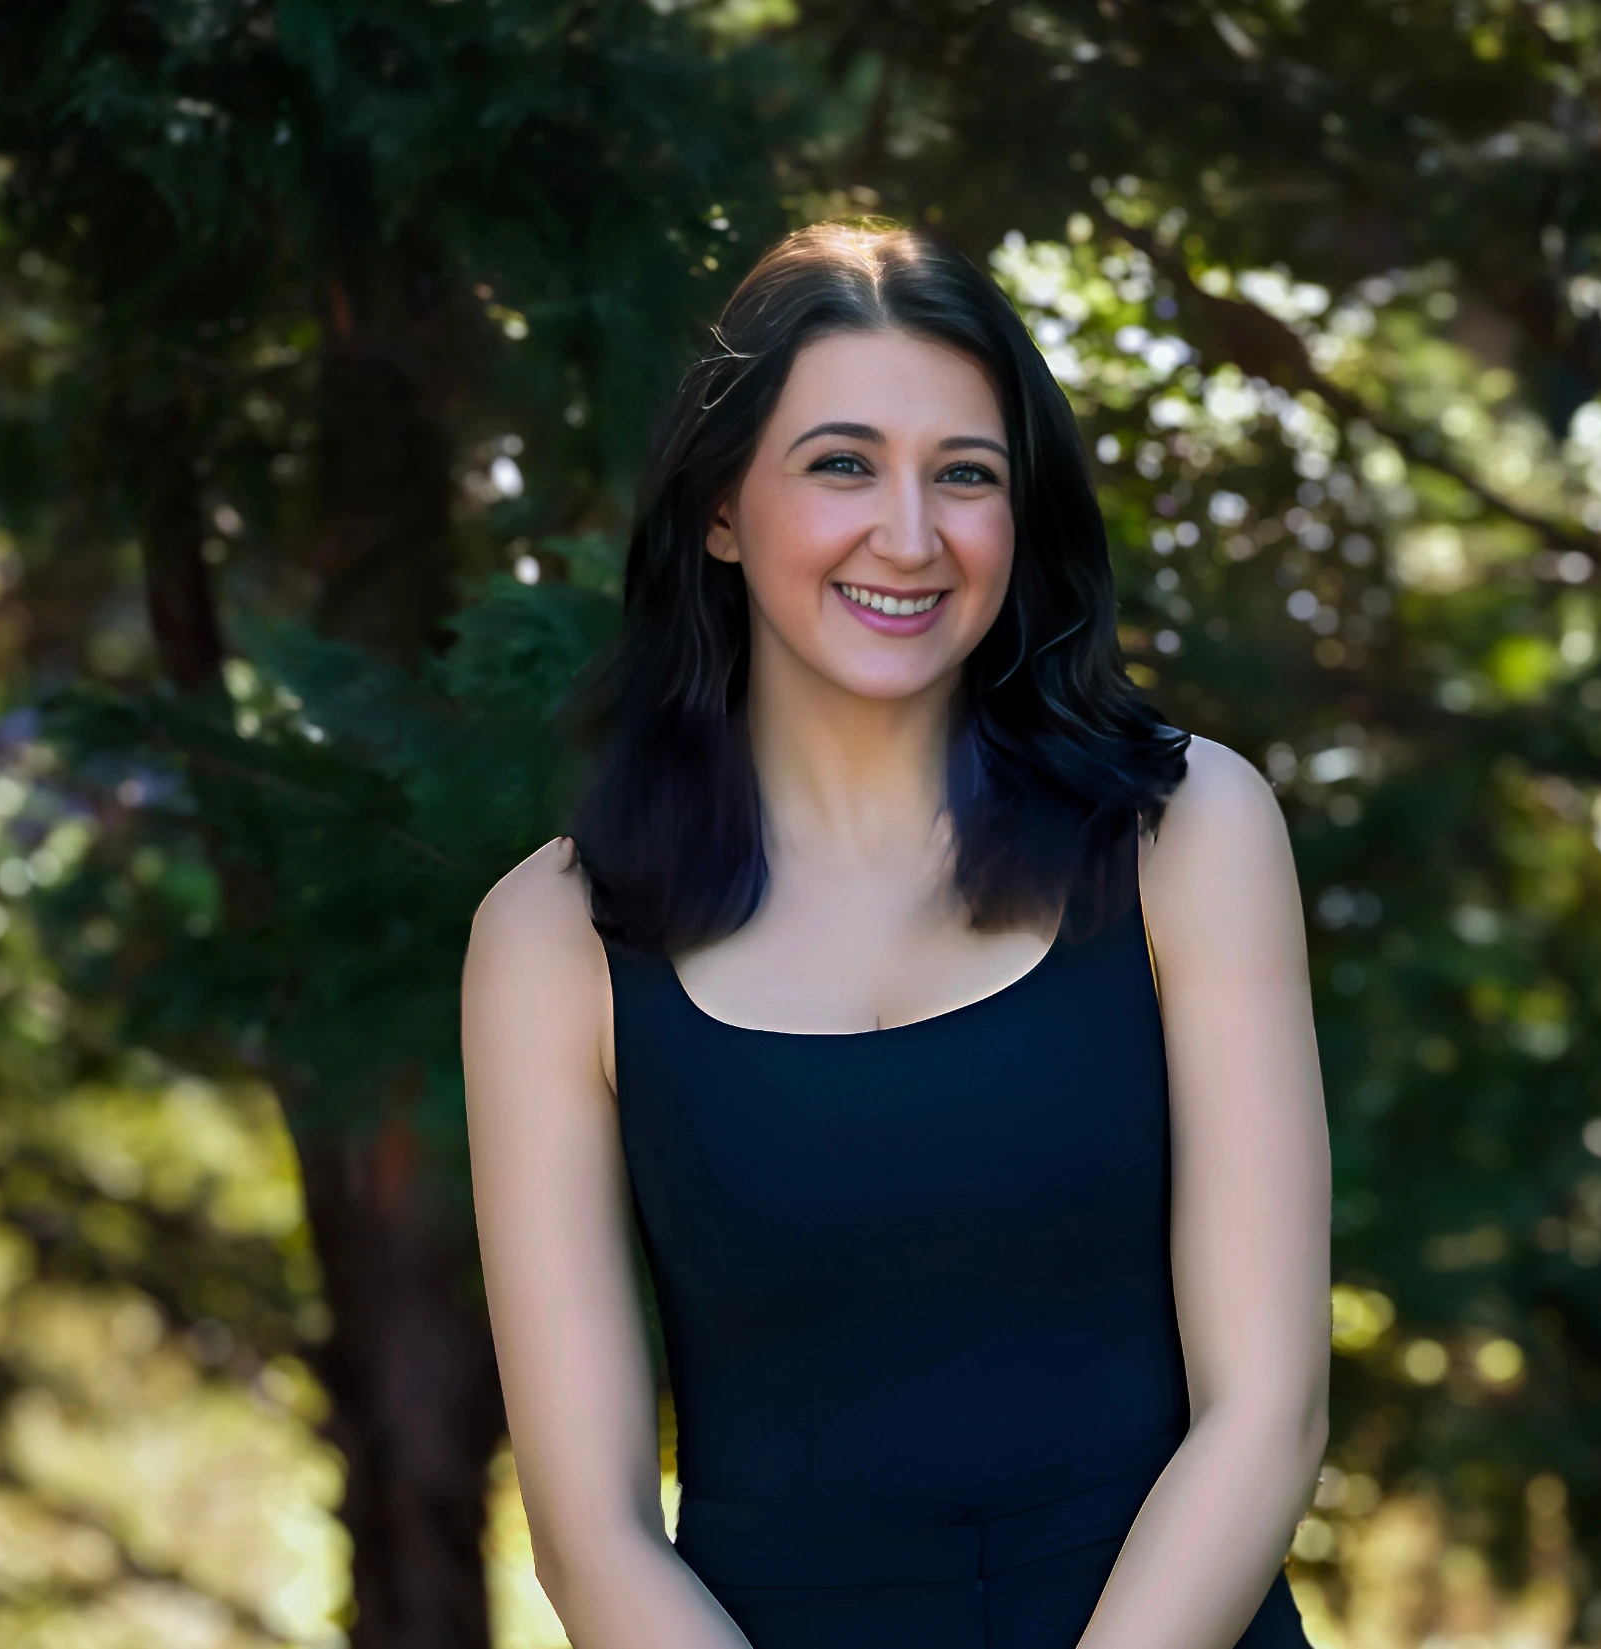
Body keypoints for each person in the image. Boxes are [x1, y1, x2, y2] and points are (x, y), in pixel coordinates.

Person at [460, 220, 1332, 1649]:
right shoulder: (553, 941)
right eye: (843, 464)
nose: (911, 537)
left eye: (967, 477)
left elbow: (1268, 1415)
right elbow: (591, 1537)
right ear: (721, 513)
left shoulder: (1189, 831)